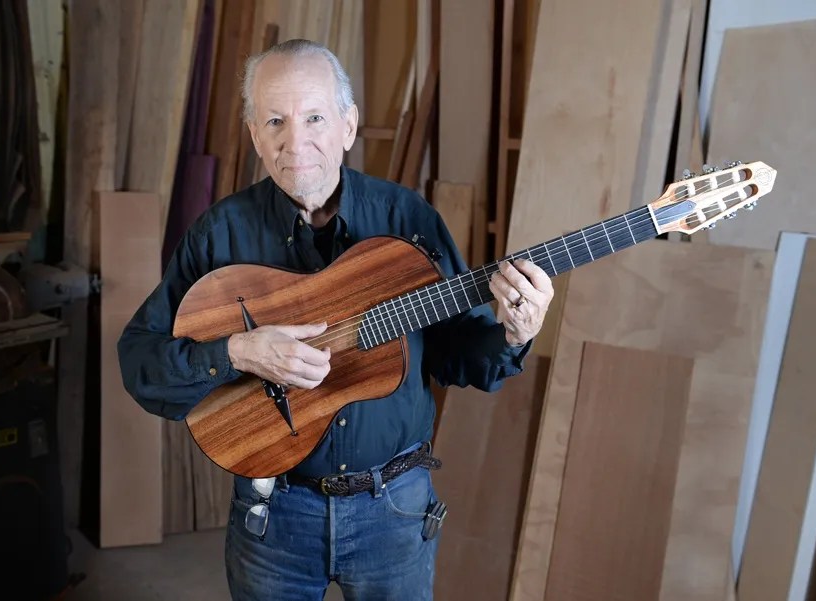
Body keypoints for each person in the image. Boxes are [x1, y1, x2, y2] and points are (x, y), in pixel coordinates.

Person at [117, 38, 554, 601]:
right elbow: (140, 362)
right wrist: (236, 352)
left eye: (315, 117)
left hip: (393, 509)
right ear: (254, 134)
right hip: (272, 513)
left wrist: (514, 334)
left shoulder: (406, 221)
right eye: (275, 120)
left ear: (348, 126)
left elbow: (459, 353)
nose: (295, 142)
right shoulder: (219, 234)